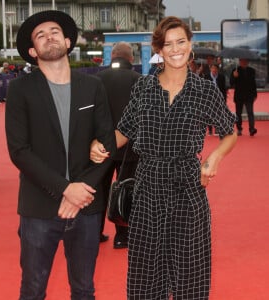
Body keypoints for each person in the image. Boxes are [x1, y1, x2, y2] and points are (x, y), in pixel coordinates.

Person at [91, 16, 237, 299]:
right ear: (159, 49)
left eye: (181, 41)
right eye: (168, 44)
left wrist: (215, 157)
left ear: (190, 44)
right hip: (147, 189)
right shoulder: (143, 88)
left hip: (188, 189)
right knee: (145, 278)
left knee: (190, 276)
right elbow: (125, 130)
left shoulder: (204, 90)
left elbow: (229, 132)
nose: (175, 49)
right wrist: (100, 145)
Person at [5, 10, 116, 300]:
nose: (48, 36)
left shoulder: (93, 87)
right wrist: (66, 189)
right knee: (32, 290)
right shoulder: (20, 90)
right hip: (39, 208)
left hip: (87, 206)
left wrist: (83, 190)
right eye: (40, 35)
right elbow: (19, 150)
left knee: (84, 290)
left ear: (67, 42)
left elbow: (107, 142)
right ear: (33, 51)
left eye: (54, 31)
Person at [96, 41, 140, 248]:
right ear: (131, 58)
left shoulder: (97, 80)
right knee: (127, 190)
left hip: (102, 147)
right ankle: (123, 235)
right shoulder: (139, 81)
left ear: (112, 56)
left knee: (99, 190)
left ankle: (95, 232)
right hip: (130, 149)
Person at [230, 58, 258, 136]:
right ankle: (239, 129)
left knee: (250, 112)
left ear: (248, 62)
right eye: (242, 61)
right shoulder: (235, 70)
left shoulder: (252, 70)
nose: (244, 62)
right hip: (239, 96)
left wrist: (255, 94)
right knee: (238, 113)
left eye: (246, 61)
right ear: (239, 62)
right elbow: (231, 83)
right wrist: (234, 76)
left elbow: (253, 83)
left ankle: (252, 129)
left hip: (249, 95)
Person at [205, 63, 227, 135]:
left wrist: (224, 99)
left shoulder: (221, 77)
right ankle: (210, 129)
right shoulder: (206, 76)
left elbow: (224, 89)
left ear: (218, 69)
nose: (214, 70)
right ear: (210, 69)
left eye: (215, 68)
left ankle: (217, 129)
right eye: (212, 68)